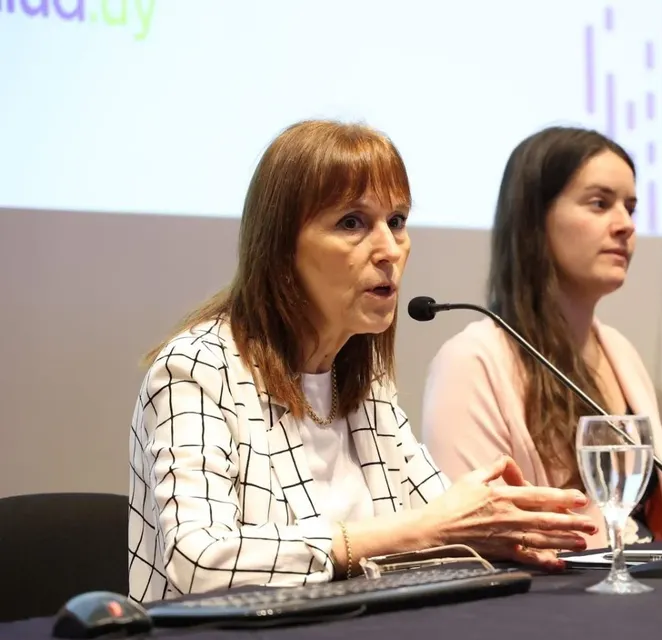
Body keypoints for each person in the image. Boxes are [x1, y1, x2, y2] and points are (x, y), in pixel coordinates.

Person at [127, 120, 598, 603]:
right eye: (352, 223)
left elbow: (435, 518)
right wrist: (417, 530)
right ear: (280, 247)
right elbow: (202, 561)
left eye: (396, 221)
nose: (390, 250)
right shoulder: (197, 369)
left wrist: (498, 525)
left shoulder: (363, 380)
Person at [421, 127, 662, 547]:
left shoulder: (620, 351)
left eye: (631, 208)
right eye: (600, 204)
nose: (625, 225)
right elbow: (475, 539)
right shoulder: (472, 361)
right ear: (535, 220)